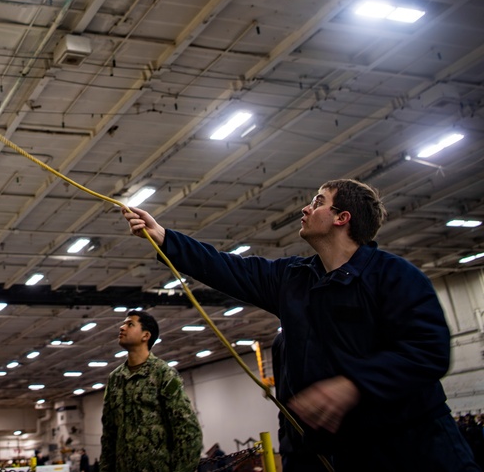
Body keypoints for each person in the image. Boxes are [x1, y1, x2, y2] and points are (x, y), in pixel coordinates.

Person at [122, 178, 481, 472]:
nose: (306, 208)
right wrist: (165, 237)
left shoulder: (395, 276)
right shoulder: (293, 278)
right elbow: (228, 267)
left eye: (318, 201)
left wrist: (353, 385)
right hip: (344, 454)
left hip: (416, 451)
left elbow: (429, 351)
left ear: (342, 218)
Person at [100, 310, 202, 472]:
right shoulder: (115, 379)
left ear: (145, 336)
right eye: (124, 323)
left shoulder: (163, 373)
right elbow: (109, 435)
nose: (122, 327)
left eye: (130, 324)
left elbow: (188, 430)